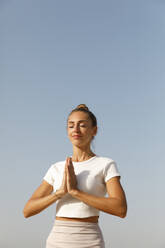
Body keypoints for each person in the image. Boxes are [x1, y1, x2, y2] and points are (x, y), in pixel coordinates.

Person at [23, 104, 127, 248]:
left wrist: (75, 192)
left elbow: (120, 209)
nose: (76, 130)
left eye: (82, 125)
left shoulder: (105, 164)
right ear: (67, 131)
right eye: (71, 126)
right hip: (56, 240)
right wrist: (59, 193)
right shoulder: (57, 168)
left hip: (89, 240)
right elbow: (27, 210)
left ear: (94, 131)